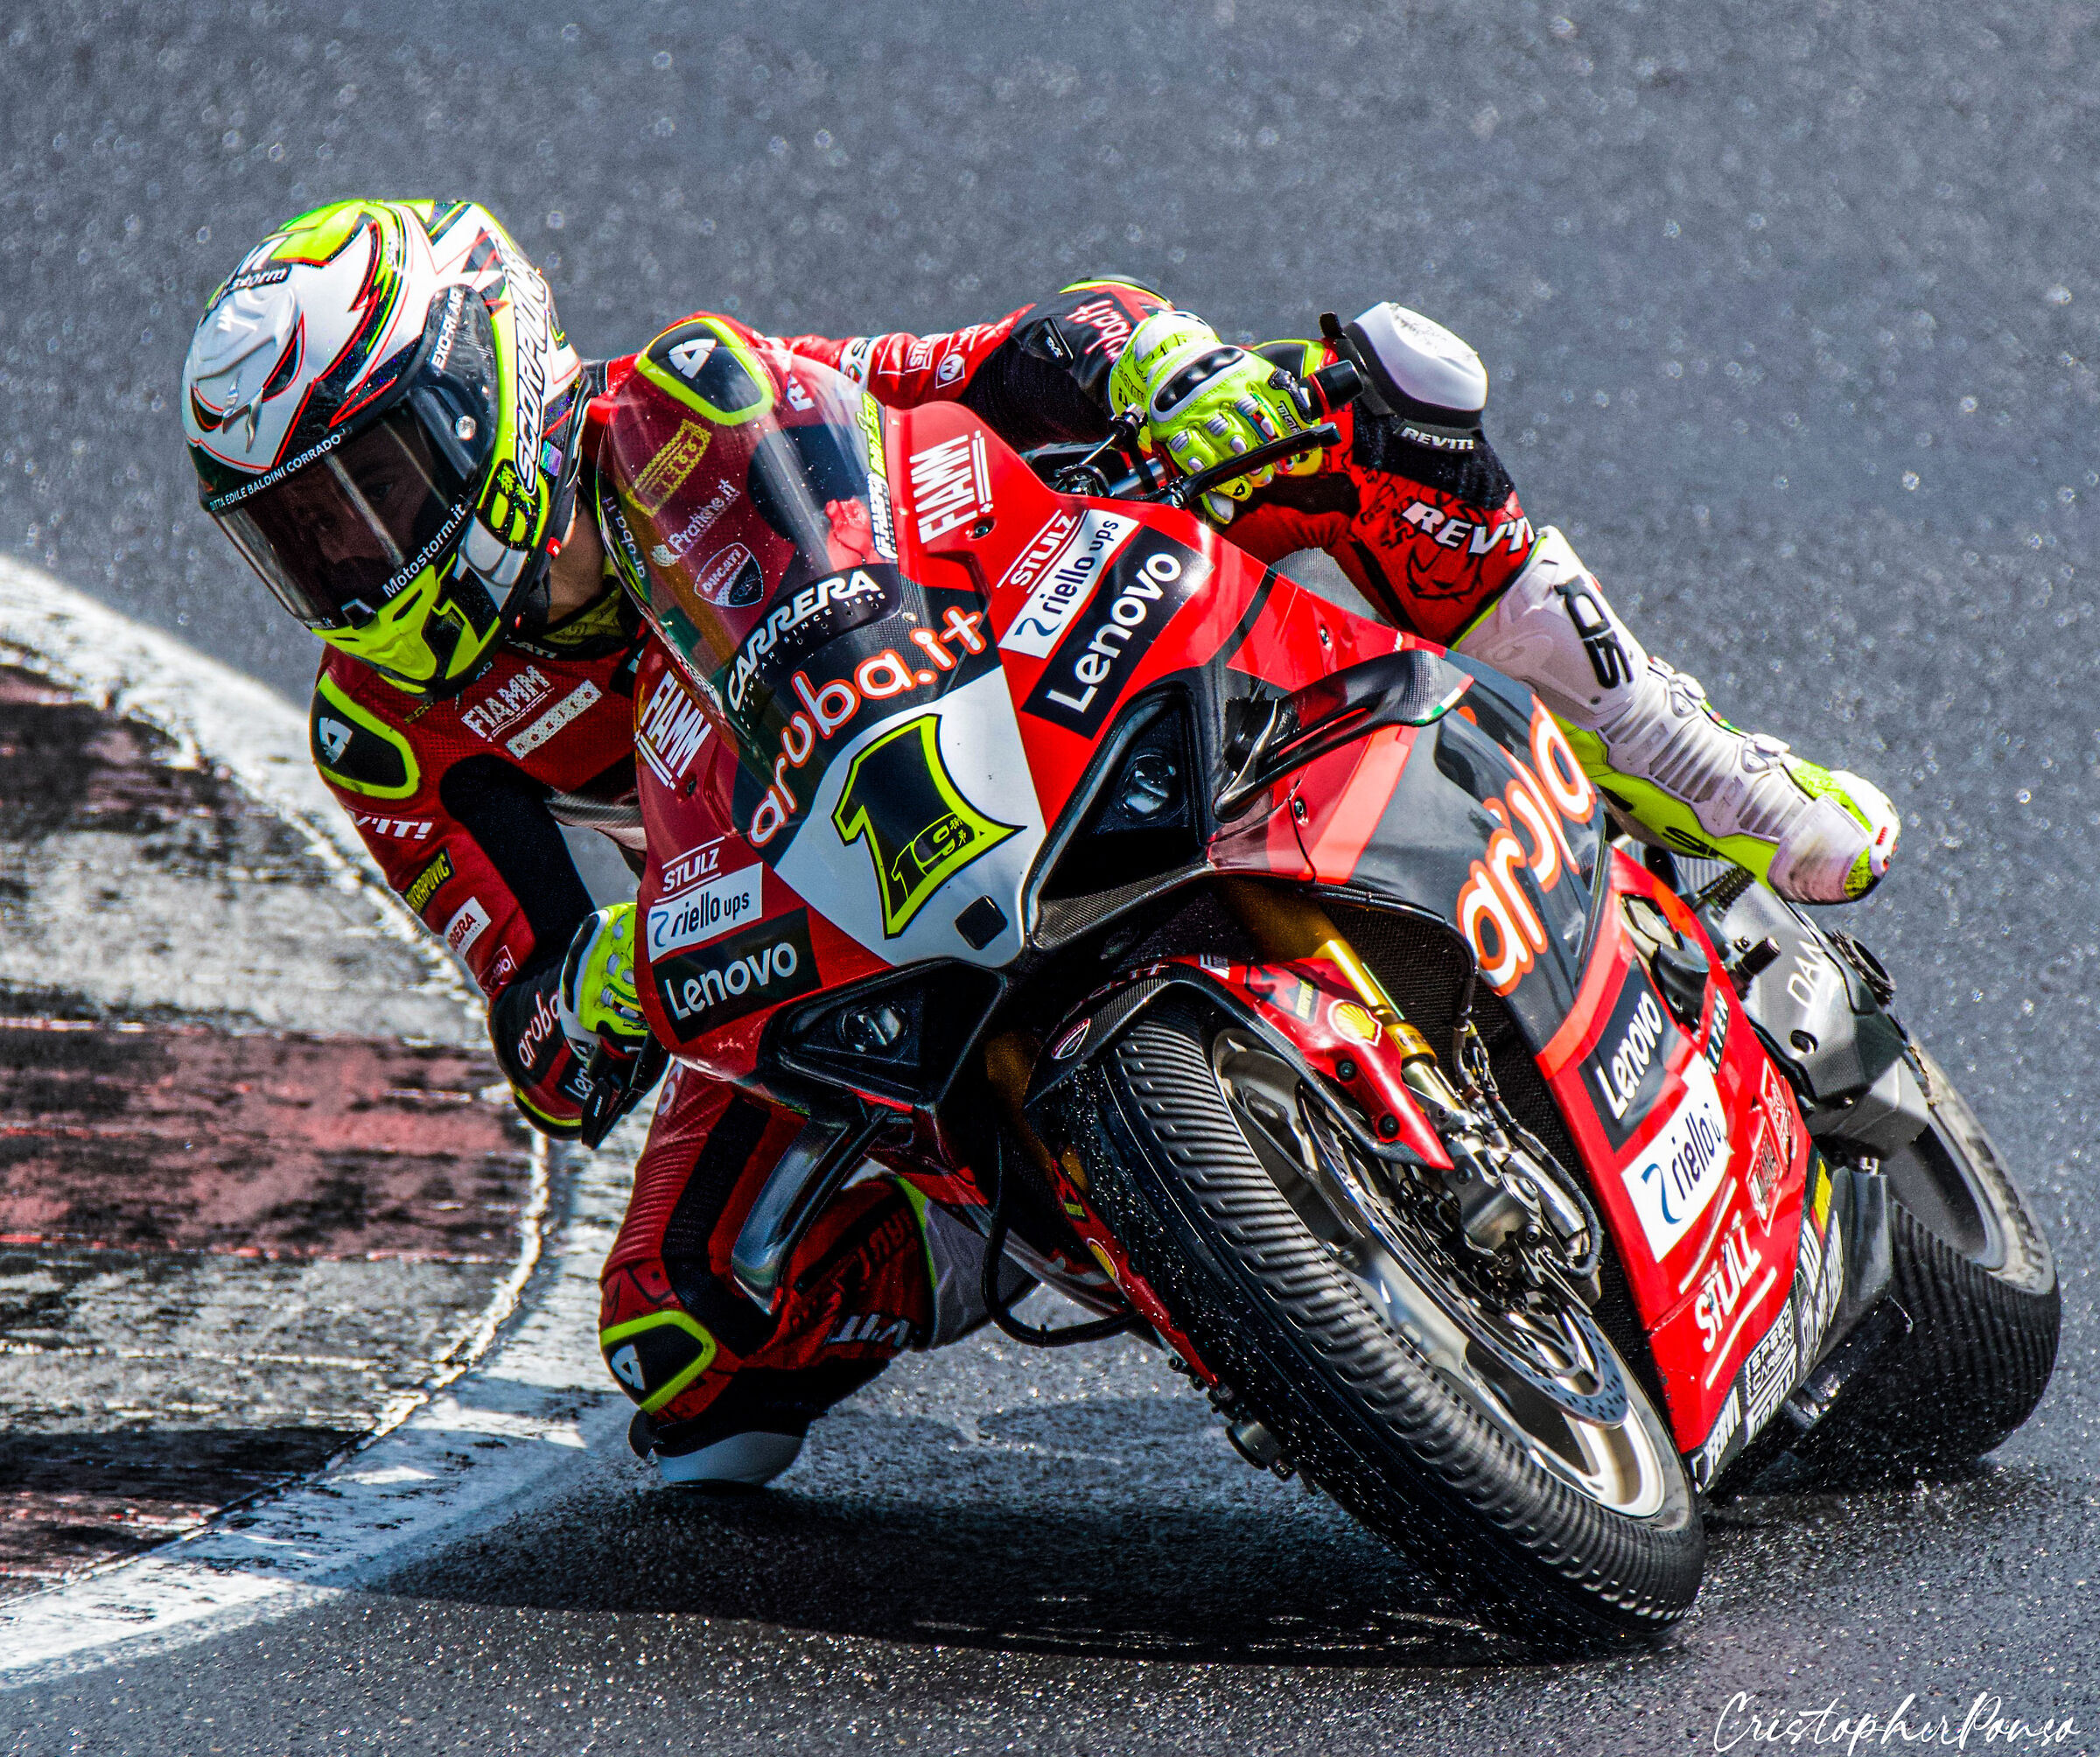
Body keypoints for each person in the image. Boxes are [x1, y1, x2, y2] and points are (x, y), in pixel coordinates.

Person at [182, 198, 1898, 1487]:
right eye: (299, 537)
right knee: (689, 1343)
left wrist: (1171, 372)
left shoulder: (683, 406)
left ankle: (1684, 752)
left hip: (1027, 658)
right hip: (811, 903)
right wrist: (627, 966)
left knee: (1363, 415)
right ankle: (1060, 1217)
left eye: (373, 485)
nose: (352, 560)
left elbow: (1007, 363)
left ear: (488, 390)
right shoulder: (386, 728)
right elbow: (545, 1039)